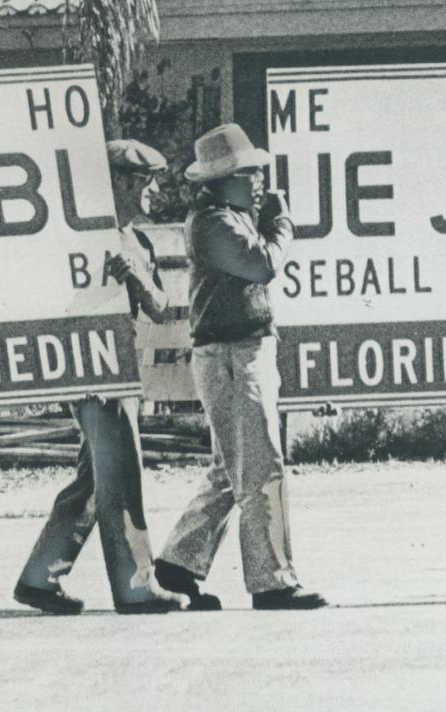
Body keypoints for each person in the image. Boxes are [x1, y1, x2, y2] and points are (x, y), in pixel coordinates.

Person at [153, 124, 326, 611]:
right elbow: (262, 265)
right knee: (261, 464)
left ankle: (178, 563)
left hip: (237, 350)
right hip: (232, 353)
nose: (258, 181)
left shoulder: (226, 215)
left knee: (233, 470)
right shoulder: (213, 222)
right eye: (248, 172)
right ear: (222, 178)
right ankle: (272, 582)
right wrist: (282, 224)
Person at [13, 139, 188, 615]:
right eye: (142, 181)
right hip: (96, 371)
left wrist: (133, 274)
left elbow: (161, 306)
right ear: (116, 184)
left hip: (123, 367)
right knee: (122, 473)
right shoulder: (81, 238)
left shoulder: (139, 240)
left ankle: (39, 578)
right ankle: (136, 585)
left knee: (95, 480)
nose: (152, 190)